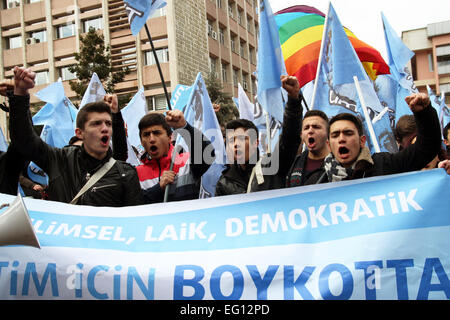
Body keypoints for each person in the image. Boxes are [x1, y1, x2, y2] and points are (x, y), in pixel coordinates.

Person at [8, 66, 143, 206]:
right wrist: (20, 93)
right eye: (96, 124)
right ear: (80, 133)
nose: (104, 129)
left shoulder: (125, 173)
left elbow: (134, 222)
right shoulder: (59, 160)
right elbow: (24, 140)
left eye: (108, 124)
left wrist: (116, 115)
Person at [306, 92, 441, 184]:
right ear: (329, 145)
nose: (341, 139)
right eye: (335, 135)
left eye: (348, 133)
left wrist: (424, 113)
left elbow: (426, 149)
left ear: (362, 141)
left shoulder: (384, 165)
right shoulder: (317, 180)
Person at [137, 111, 214, 203]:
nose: (152, 139)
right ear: (141, 142)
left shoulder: (186, 162)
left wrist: (185, 127)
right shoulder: (135, 173)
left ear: (170, 137)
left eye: (157, 133)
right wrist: (158, 188)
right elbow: (134, 204)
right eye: (146, 135)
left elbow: (208, 154)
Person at [215, 118, 259, 196]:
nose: (236, 144)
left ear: (255, 143)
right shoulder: (224, 182)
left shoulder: (270, 171)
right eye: (231, 140)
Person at [286, 110, 330, 187]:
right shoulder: (294, 163)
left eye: (316, 127)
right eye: (306, 128)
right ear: (301, 135)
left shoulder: (337, 164)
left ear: (328, 133)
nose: (310, 131)